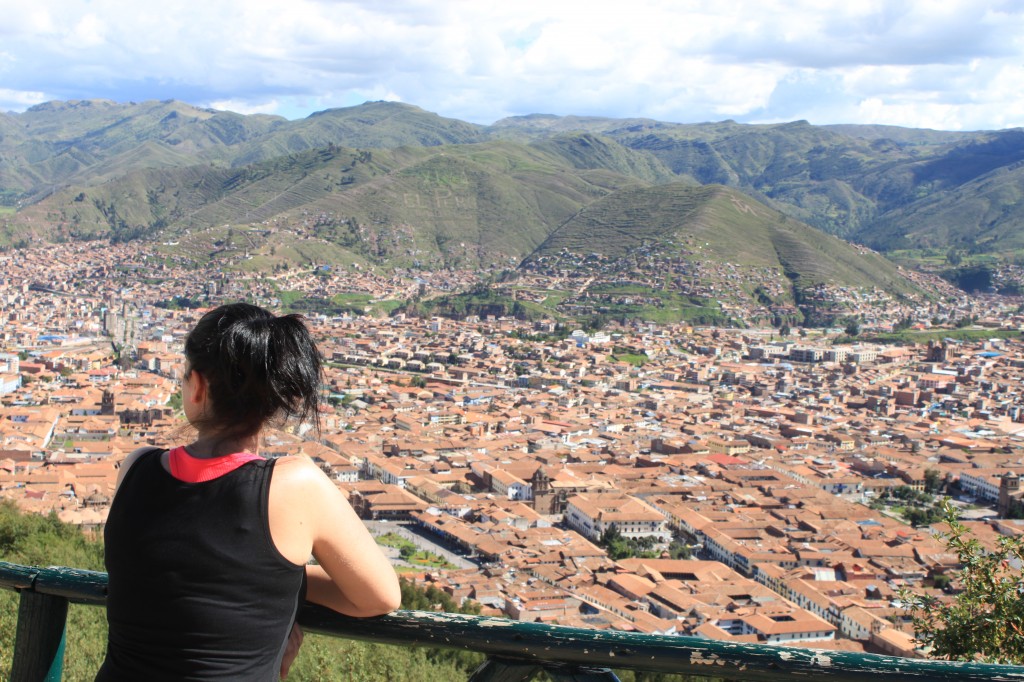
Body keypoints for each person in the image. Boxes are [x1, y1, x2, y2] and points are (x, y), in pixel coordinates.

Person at [97, 303, 401, 681]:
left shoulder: (135, 468)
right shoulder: (295, 485)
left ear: (199, 387)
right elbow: (381, 597)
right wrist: (279, 583)